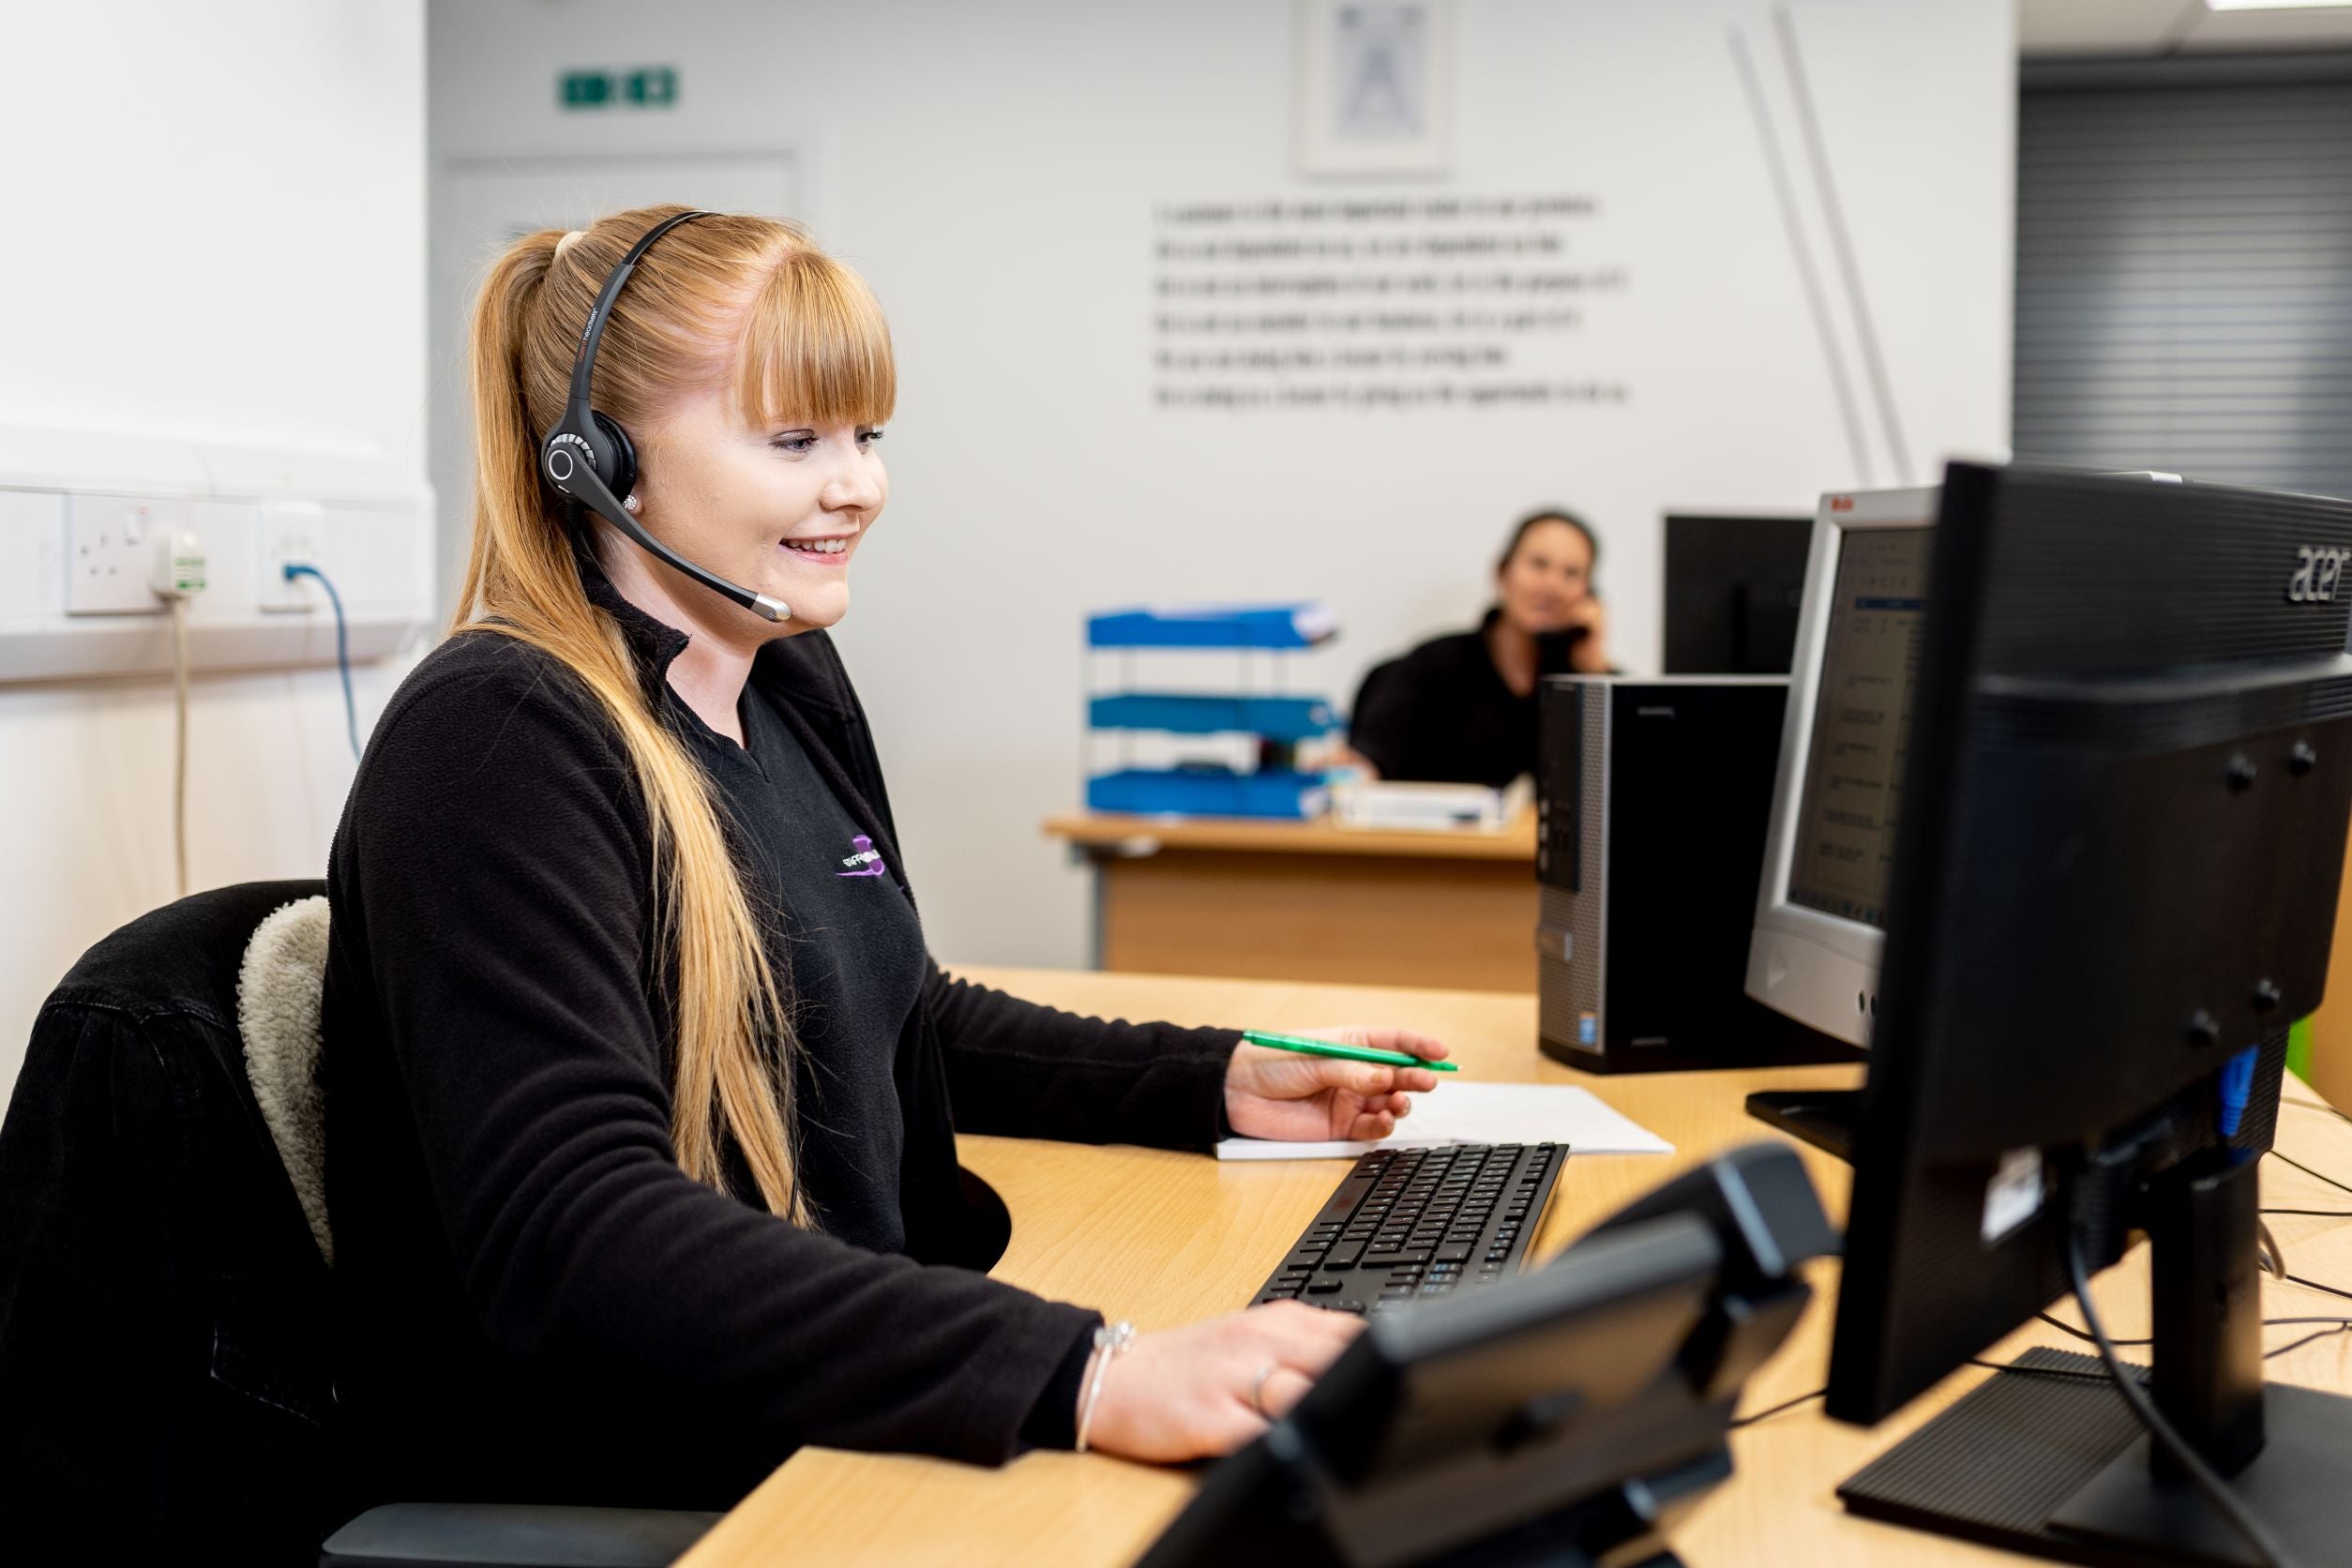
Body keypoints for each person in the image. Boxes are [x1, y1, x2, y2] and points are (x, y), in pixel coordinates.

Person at [320, 205, 1448, 1513]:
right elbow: (574, 1234)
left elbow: (889, 1005)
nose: (856, 485)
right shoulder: (501, 739)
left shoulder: (783, 680)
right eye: (793, 439)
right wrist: (1088, 1374)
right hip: (674, 1469)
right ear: (599, 460)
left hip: (831, 1395)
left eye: (866, 435)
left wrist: (1212, 1080)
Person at [1345, 509, 1611, 788]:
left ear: (1588, 593)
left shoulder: (1582, 679)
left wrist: (1593, 666)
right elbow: (1368, 759)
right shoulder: (1433, 664)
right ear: (1502, 573)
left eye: (1571, 573)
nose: (1552, 585)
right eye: (1539, 564)